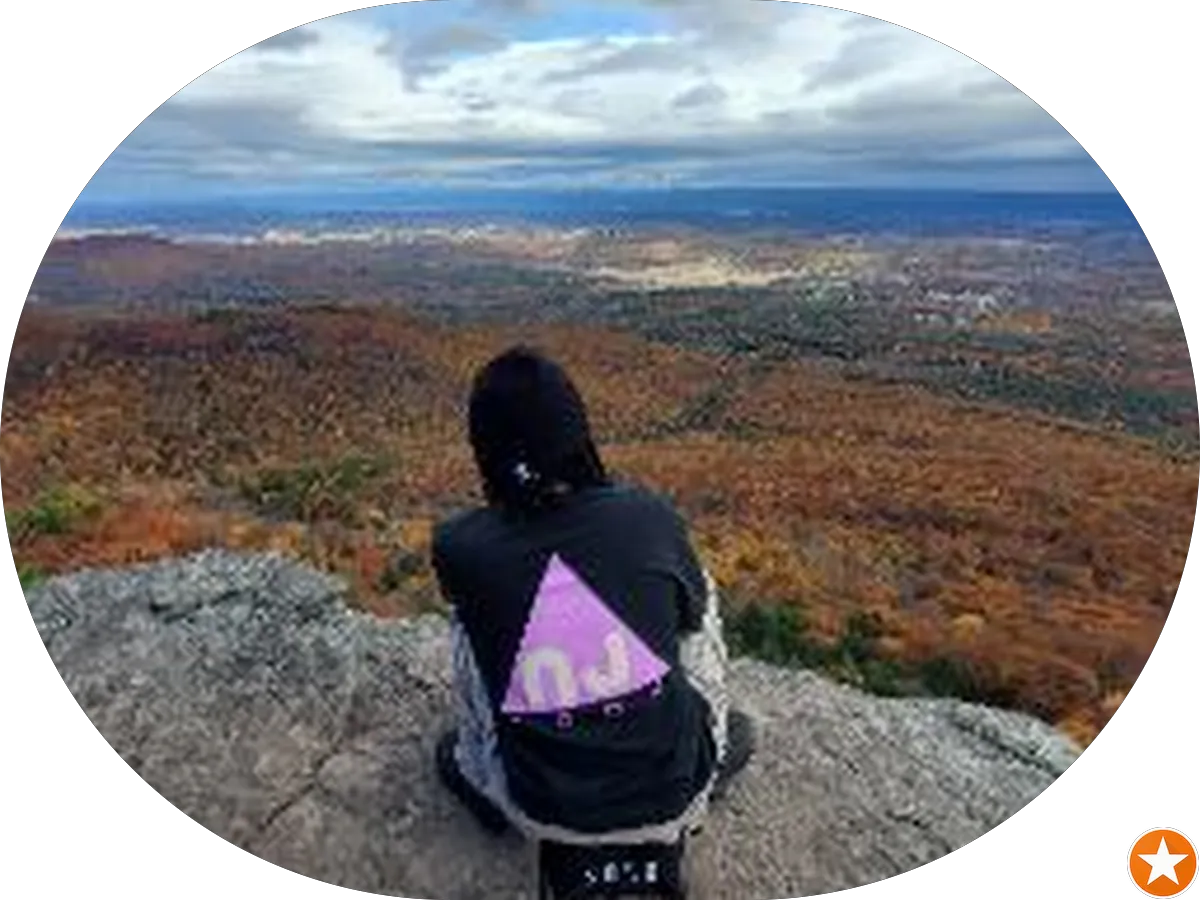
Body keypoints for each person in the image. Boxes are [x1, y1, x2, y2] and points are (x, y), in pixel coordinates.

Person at [431, 345, 754, 845]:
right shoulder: (647, 516)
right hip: (677, 795)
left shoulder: (459, 545)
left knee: (468, 612)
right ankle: (691, 738)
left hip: (534, 809)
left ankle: (477, 772)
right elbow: (689, 621)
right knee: (695, 587)